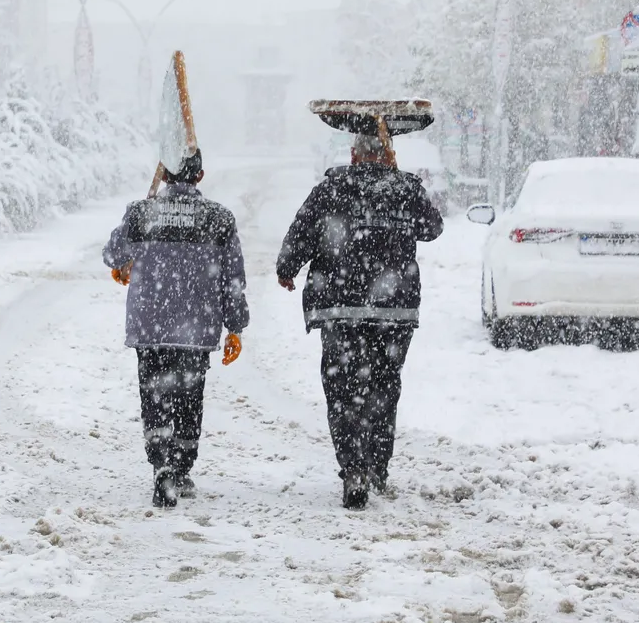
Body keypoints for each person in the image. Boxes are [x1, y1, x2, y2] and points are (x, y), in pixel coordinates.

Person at [276, 133, 444, 510]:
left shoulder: (332, 188)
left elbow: (301, 232)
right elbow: (433, 228)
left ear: (353, 154)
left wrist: (286, 268)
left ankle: (353, 468)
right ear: (389, 154)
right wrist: (400, 183)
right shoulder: (405, 188)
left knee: (341, 391)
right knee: (384, 387)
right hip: (393, 311)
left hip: (340, 308)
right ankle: (377, 466)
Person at [104, 149, 249, 508]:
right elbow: (233, 278)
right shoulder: (219, 218)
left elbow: (112, 253)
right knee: (189, 396)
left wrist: (142, 217)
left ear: (164, 174)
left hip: (150, 325)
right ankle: (181, 467)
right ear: (200, 176)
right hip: (196, 329)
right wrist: (235, 326)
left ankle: (161, 465)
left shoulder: (142, 212)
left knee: (154, 396)